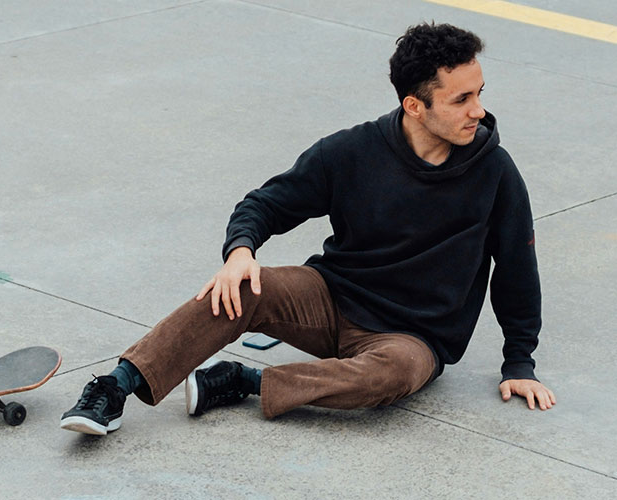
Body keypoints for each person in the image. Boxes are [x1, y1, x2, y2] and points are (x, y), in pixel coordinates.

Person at [61, 22, 556, 436]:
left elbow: (516, 266)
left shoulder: (495, 172)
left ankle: (244, 381)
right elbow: (265, 204)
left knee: (393, 374)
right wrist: (239, 252)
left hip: (413, 335)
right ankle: (115, 387)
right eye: (461, 99)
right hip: (331, 296)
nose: (479, 111)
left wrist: (520, 363)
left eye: (480, 94)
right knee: (239, 287)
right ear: (414, 106)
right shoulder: (351, 152)